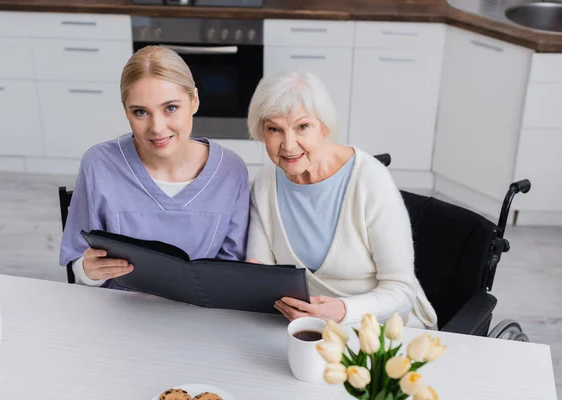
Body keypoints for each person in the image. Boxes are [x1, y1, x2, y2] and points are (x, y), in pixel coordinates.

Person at [245, 69, 438, 329]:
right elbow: (262, 273)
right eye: (274, 129)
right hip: (299, 327)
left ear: (324, 126)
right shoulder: (264, 184)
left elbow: (401, 290)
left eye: (303, 127)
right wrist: (254, 278)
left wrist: (344, 311)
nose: (289, 145)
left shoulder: (370, 181)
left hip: (380, 330)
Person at [59, 46, 250, 289]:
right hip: (117, 314)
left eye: (170, 108)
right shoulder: (98, 165)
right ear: (126, 112)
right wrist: (87, 270)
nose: (157, 128)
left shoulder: (231, 171)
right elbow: (77, 263)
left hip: (198, 317)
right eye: (140, 112)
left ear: (194, 101)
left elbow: (232, 267)